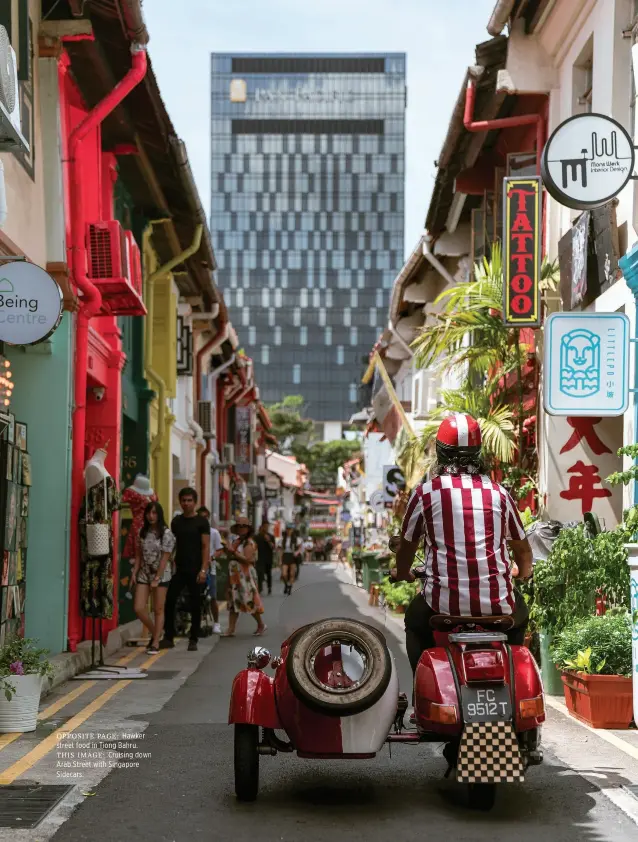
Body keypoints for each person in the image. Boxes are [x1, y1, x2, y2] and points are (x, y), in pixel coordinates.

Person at [392, 413, 533, 679]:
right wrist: (523, 572)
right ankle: (510, 676)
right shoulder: (499, 494)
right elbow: (523, 551)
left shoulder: (426, 493)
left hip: (442, 607)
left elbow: (406, 550)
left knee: (414, 620)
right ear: (478, 452)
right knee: (520, 616)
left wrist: (401, 573)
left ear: (440, 453)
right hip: (497, 606)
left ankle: (420, 691)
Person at [161, 487, 210, 652]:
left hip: (196, 569)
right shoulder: (176, 522)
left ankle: (193, 638)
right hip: (179, 568)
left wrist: (203, 570)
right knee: (170, 600)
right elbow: (172, 545)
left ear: (195, 502)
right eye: (183, 500)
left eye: (189, 500)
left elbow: (205, 547)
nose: (186, 503)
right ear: (180, 502)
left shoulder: (202, 522)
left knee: (196, 603)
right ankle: (168, 636)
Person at [131, 502, 175, 655]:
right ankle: (155, 631)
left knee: (158, 609)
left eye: (155, 513)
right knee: (139, 607)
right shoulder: (142, 532)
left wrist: (157, 577)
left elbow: (165, 558)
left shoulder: (166, 533)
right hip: (144, 572)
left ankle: (155, 642)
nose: (151, 516)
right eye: (149, 513)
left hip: (161, 573)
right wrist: (134, 571)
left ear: (160, 515)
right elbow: (138, 555)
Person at [222, 516, 266, 637]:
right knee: (233, 602)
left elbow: (248, 560)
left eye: (244, 526)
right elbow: (230, 557)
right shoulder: (237, 541)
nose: (241, 528)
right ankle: (231, 629)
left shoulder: (249, 543)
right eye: (239, 526)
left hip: (245, 576)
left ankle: (261, 624)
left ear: (248, 528)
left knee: (249, 601)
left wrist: (233, 552)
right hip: (234, 575)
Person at [197, 506, 223, 634]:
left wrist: (211, 558)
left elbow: (219, 550)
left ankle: (216, 623)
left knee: (212, 596)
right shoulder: (194, 532)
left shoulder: (214, 533)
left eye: (205, 517)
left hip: (210, 569)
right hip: (196, 568)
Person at [279, 524, 302, 595]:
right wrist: (280, 559)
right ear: (286, 530)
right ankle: (286, 585)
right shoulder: (283, 539)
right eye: (288, 529)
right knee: (284, 574)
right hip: (285, 555)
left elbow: (300, 548)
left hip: (293, 556)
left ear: (292, 530)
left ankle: (290, 587)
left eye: (290, 529)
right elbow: (281, 550)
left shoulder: (296, 539)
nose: (289, 531)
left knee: (292, 574)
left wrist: (297, 552)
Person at [255, 521, 275, 595]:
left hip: (268, 558)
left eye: (267, 526)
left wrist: (269, 540)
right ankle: (260, 588)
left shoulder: (271, 536)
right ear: (262, 527)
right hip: (260, 558)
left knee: (268, 574)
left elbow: (273, 547)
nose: (266, 528)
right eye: (265, 526)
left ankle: (269, 587)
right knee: (260, 573)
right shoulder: (257, 537)